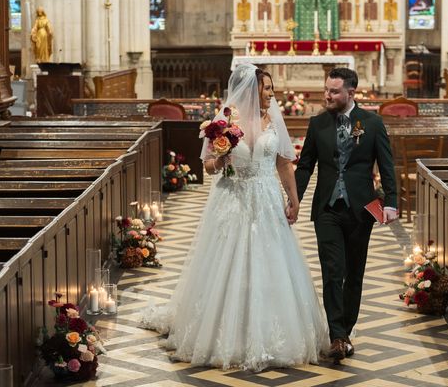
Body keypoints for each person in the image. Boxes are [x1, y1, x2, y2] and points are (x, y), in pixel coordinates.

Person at [141, 63, 327, 371]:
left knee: (272, 262)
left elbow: (284, 164)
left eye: (272, 89)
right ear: (253, 90)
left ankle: (272, 331)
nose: (272, 94)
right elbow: (209, 167)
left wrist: (294, 199)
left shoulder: (273, 121)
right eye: (267, 89)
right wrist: (223, 157)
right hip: (233, 200)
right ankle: (224, 331)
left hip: (267, 199)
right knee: (227, 262)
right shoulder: (224, 120)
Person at [295, 67, 398, 363]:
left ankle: (346, 330)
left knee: (354, 273)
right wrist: (294, 199)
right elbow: (305, 166)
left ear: (351, 93)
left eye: (334, 91)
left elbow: (386, 165)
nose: (327, 95)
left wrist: (390, 201)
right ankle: (336, 335)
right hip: (327, 208)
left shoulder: (372, 123)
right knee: (332, 270)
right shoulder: (317, 124)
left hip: (360, 209)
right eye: (326, 90)